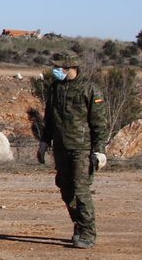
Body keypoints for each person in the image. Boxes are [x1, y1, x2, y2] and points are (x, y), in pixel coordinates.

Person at [38, 51, 109, 248]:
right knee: (65, 188)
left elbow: (99, 124)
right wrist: (44, 142)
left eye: (59, 67)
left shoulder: (90, 89)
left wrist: (99, 150)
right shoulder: (55, 88)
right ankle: (79, 224)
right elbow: (49, 119)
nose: (55, 71)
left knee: (81, 190)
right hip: (60, 147)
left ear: (71, 68)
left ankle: (88, 232)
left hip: (82, 149)